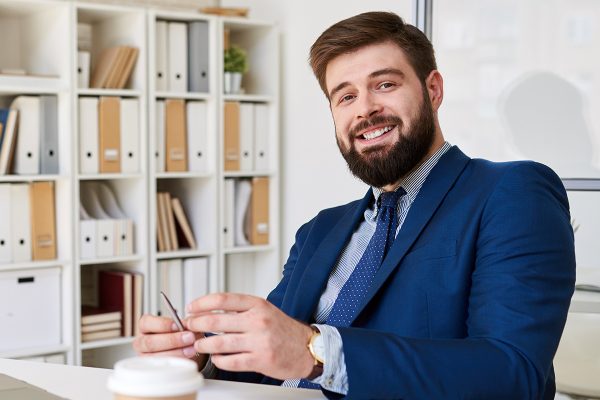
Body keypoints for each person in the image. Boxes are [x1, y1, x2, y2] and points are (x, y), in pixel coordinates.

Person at [134, 11, 575, 399]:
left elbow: (512, 374)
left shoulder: (510, 191)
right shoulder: (320, 230)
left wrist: (317, 353)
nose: (365, 110)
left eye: (384, 84)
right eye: (345, 96)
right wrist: (200, 355)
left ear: (433, 89)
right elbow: (272, 355)